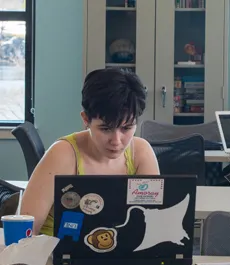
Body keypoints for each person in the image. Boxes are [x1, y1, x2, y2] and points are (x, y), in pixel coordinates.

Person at [21, 68, 159, 235]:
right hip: (55, 255)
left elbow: (151, 223)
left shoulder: (141, 153)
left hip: (118, 255)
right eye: (105, 129)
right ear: (86, 119)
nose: (116, 140)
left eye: (127, 128)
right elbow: (25, 230)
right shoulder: (63, 154)